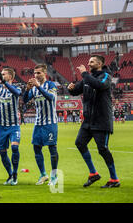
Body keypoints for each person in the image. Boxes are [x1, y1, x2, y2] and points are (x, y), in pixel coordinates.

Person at [68, 55, 120, 188]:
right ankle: (93, 173)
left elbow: (100, 85)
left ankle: (114, 179)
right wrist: (71, 88)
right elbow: (76, 91)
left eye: (92, 62)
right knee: (79, 143)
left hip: (101, 120)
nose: (89, 64)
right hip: (88, 121)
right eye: (89, 62)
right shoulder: (87, 78)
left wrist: (85, 73)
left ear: (100, 63)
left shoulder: (106, 76)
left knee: (102, 149)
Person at [23, 64, 59, 187]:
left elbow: (51, 98)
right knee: (36, 148)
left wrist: (38, 87)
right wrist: (27, 89)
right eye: (35, 73)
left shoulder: (51, 85)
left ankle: (54, 175)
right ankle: (43, 174)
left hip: (50, 123)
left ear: (45, 73)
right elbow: (25, 100)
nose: (36, 75)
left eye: (39, 73)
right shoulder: (34, 88)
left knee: (52, 148)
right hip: (38, 123)